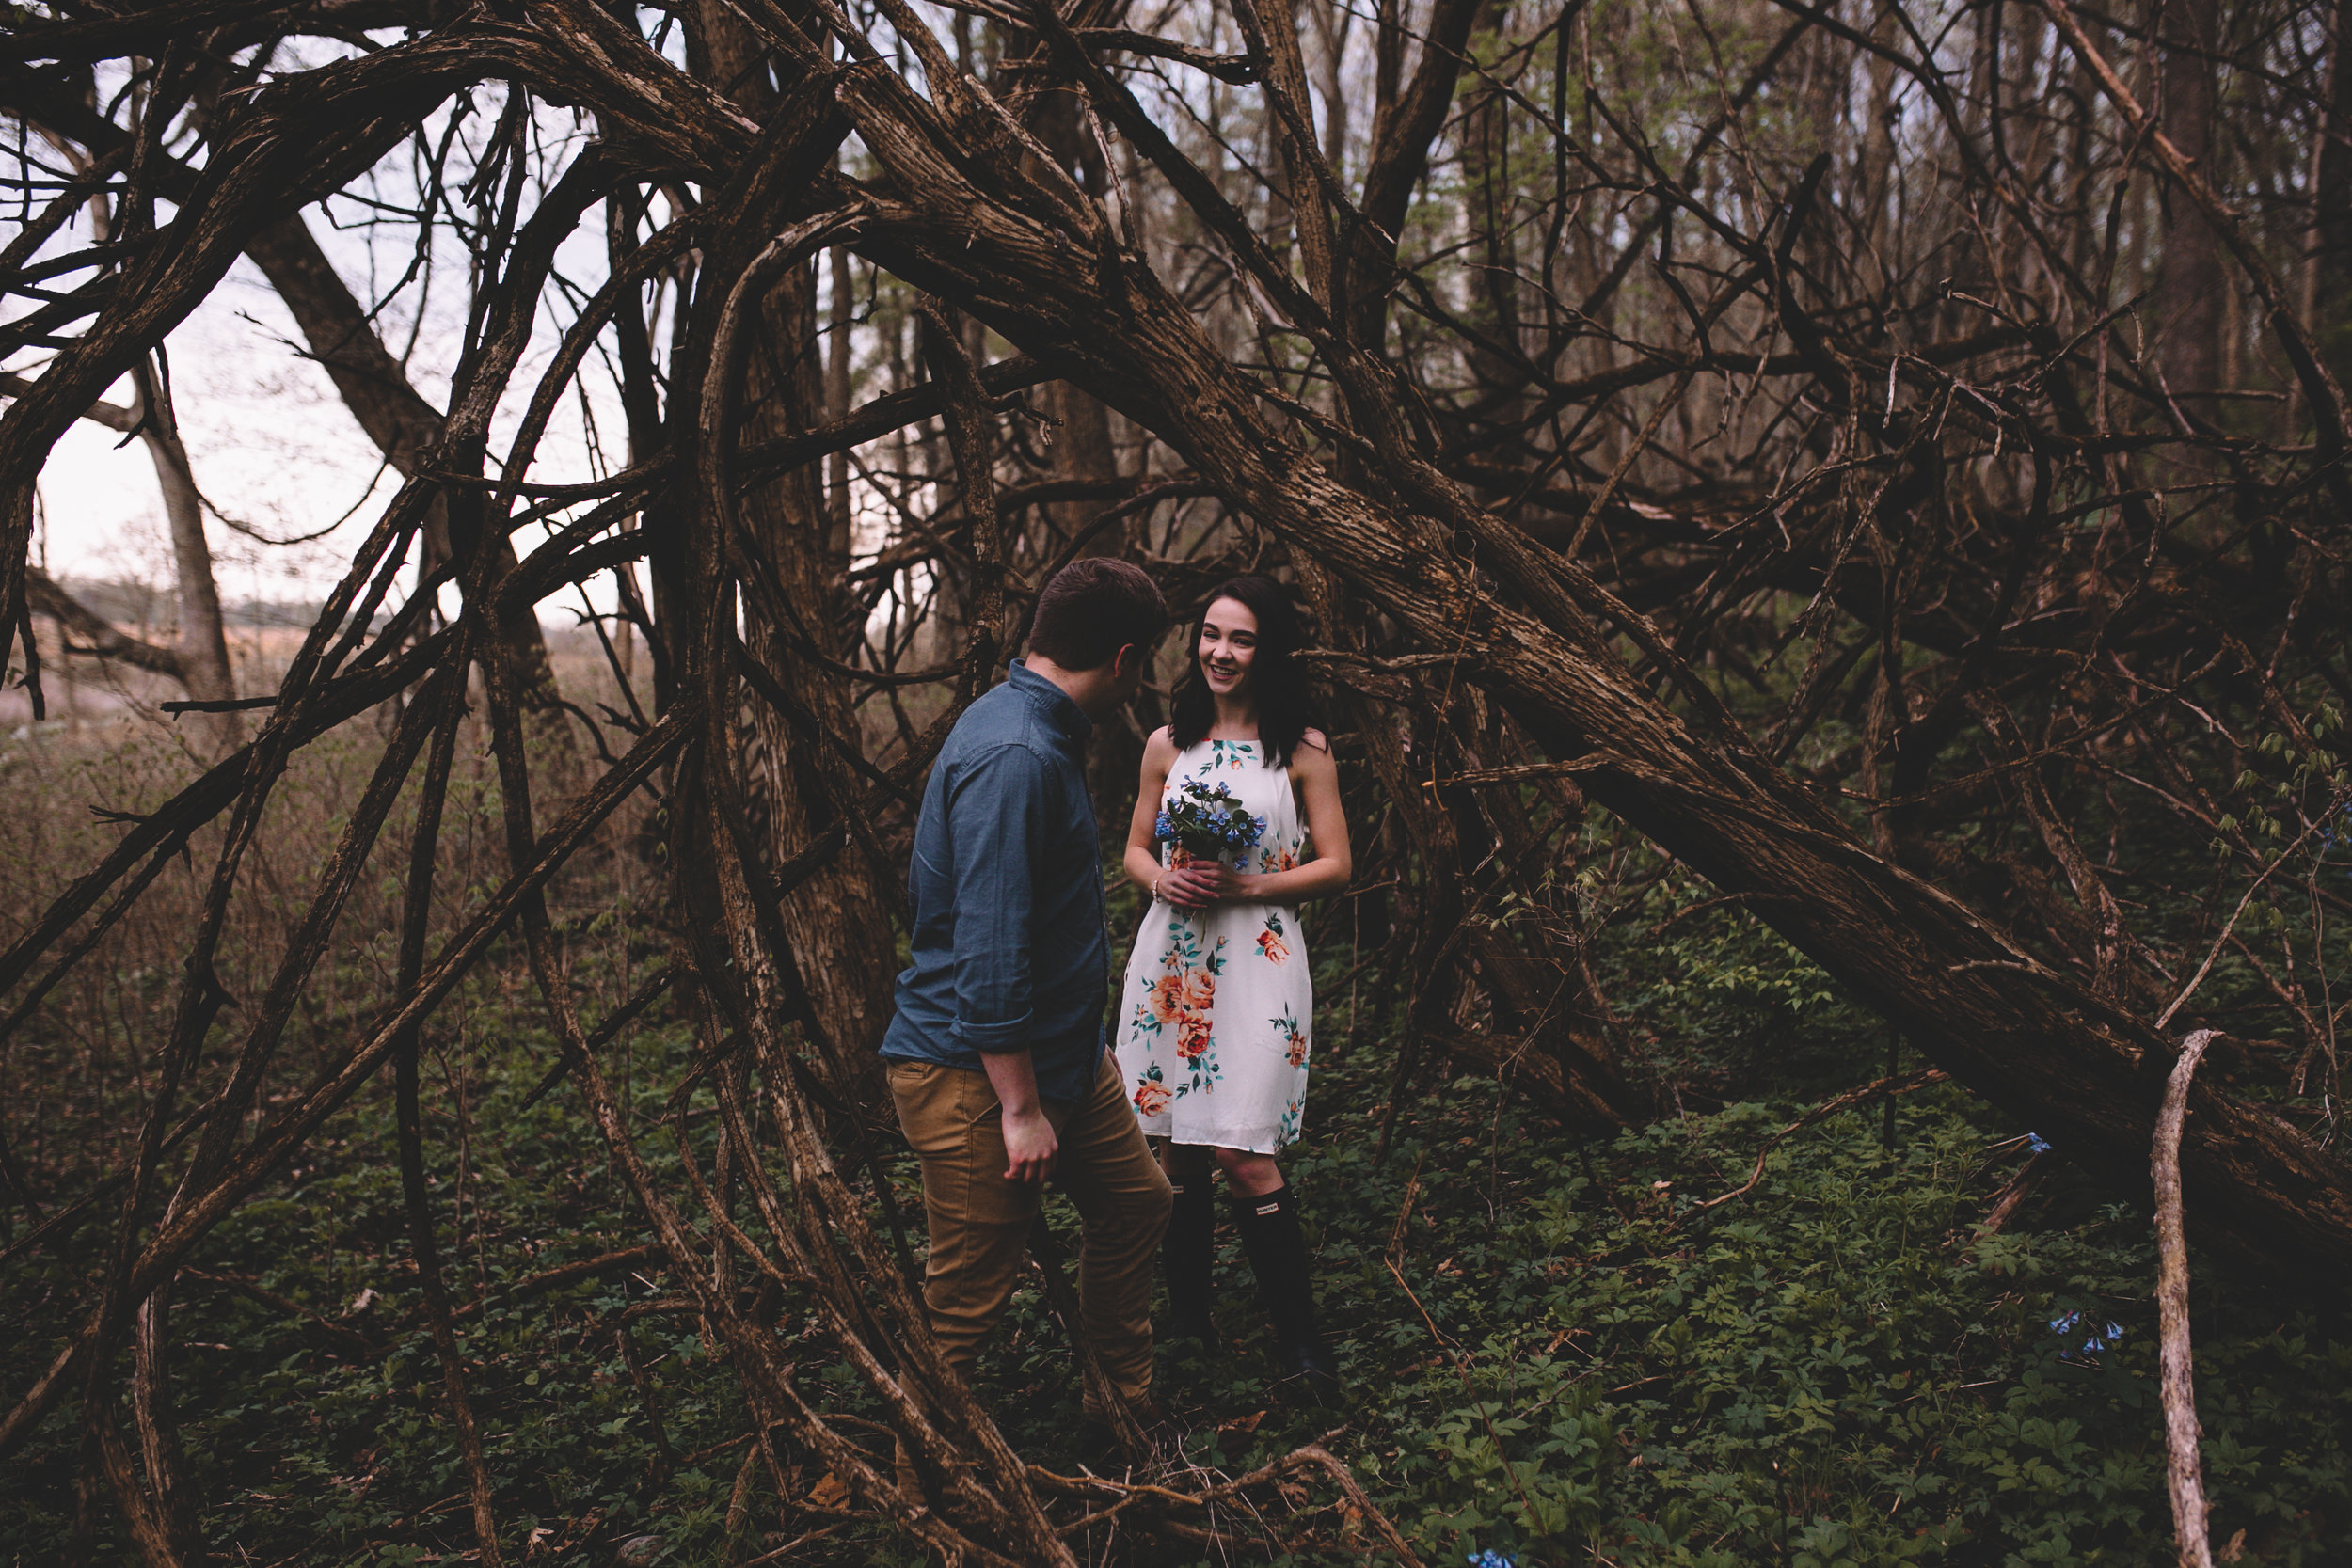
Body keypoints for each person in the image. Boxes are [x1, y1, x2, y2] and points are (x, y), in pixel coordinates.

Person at [880, 557, 1174, 1433]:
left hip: (1063, 1060)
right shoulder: (1015, 753)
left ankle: (1119, 1412)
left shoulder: (1038, 729)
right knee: (965, 1307)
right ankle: (926, 1499)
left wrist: (1081, 1046)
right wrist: (1017, 1106)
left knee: (1138, 1203)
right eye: (1145, 662)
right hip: (975, 1076)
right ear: (1123, 658)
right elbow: (991, 948)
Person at [1115, 576, 1353, 1387]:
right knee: (1177, 1144)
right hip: (1174, 957)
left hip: (1260, 959)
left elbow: (1337, 864)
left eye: (1241, 638)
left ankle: (1301, 1340)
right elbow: (1136, 849)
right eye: (1211, 634)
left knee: (1239, 1147)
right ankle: (1189, 1319)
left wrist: (1252, 887)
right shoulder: (1166, 744)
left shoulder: (1304, 750)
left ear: (1268, 650)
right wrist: (1160, 880)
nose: (1220, 651)